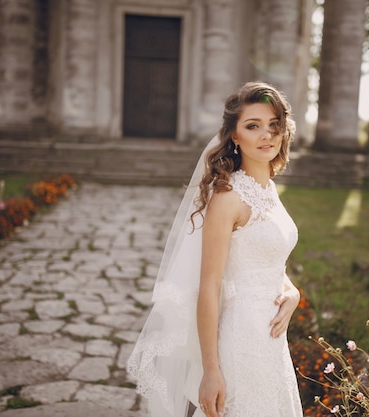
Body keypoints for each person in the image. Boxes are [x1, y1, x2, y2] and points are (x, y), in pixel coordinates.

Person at [127, 81, 303, 417]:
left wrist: (291, 292)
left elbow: (262, 260)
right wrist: (211, 371)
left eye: (274, 126)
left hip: (270, 341)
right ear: (235, 136)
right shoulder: (228, 198)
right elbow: (208, 287)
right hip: (240, 338)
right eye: (253, 126)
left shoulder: (268, 190)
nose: (266, 135)